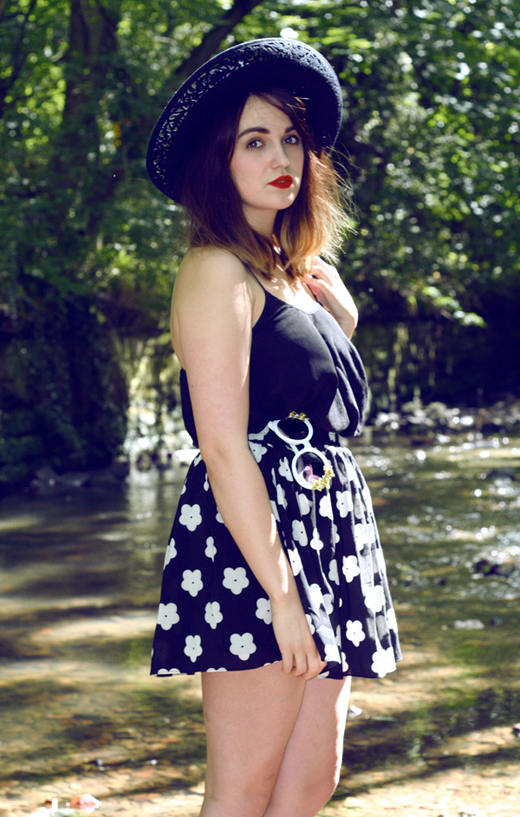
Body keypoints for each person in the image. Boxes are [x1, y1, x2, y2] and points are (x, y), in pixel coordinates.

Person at [146, 38, 401, 817]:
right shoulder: (214, 268)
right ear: (218, 160)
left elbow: (302, 397)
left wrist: (339, 314)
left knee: (306, 786)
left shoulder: (286, 272)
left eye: (290, 138)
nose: (281, 156)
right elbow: (224, 446)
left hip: (323, 531)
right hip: (258, 548)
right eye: (254, 141)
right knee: (245, 789)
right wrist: (282, 595)